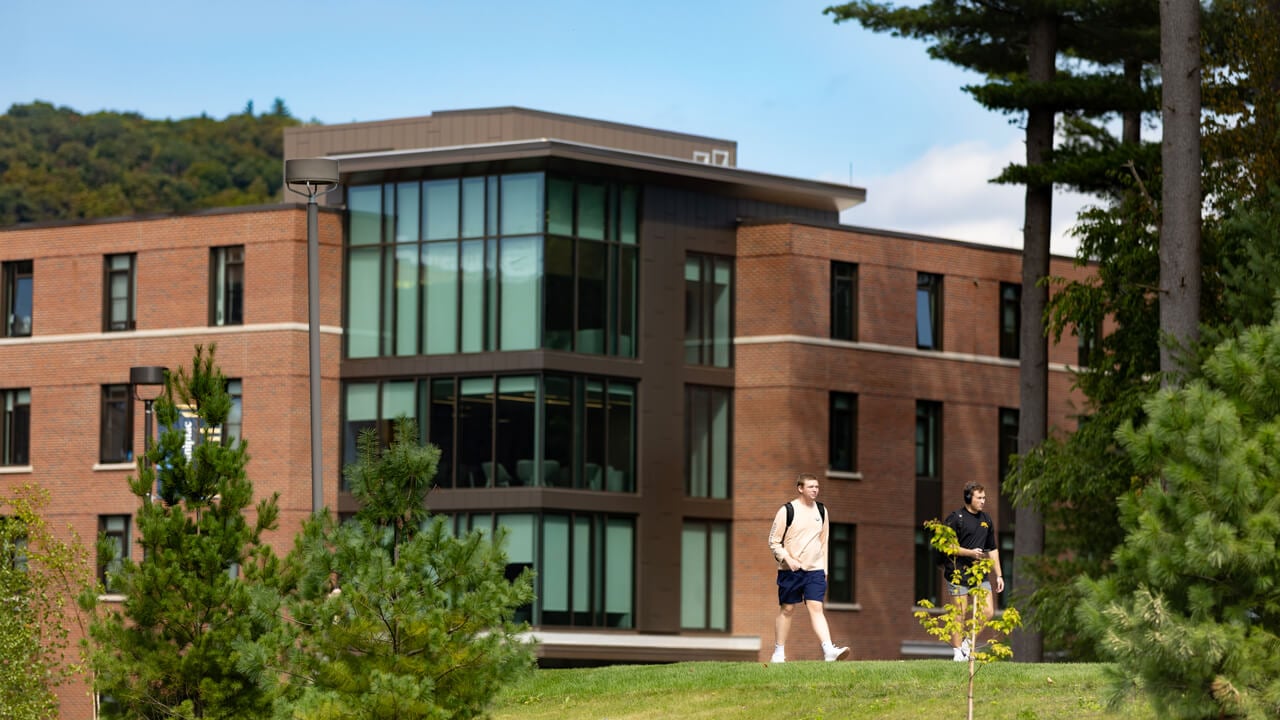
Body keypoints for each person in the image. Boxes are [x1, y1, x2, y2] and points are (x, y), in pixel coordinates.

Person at [767, 473, 850, 663]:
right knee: (787, 609)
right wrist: (787, 558)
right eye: (811, 487)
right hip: (791, 571)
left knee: (816, 607)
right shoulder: (787, 511)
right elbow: (773, 541)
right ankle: (779, 653)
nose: (815, 490)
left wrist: (825, 569)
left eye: (817, 487)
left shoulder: (822, 511)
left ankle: (829, 650)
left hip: (815, 570)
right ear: (800, 488)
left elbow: (824, 542)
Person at [942, 481, 1004, 661]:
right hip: (957, 573)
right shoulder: (956, 518)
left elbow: (992, 549)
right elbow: (948, 547)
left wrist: (999, 575)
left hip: (979, 575)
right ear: (969, 498)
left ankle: (967, 643)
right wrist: (970, 552)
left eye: (984, 498)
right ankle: (957, 654)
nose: (983, 501)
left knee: (988, 612)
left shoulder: (987, 520)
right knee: (959, 614)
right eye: (979, 498)